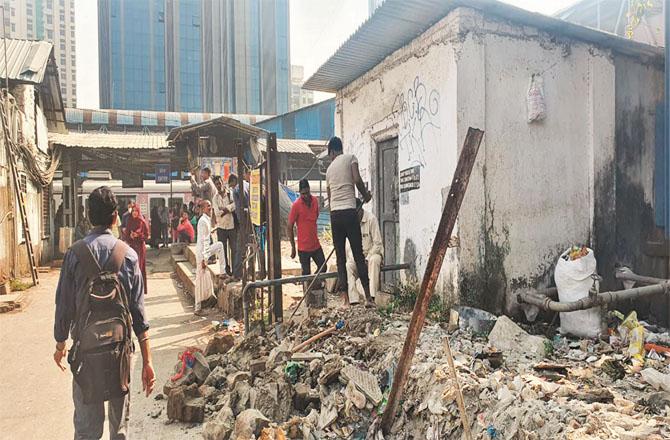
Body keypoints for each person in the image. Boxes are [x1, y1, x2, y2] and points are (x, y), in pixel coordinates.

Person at [53, 186, 155, 439]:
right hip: (120, 353)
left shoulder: (74, 255)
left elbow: (64, 305)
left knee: (87, 429)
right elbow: (139, 316)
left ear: (88, 216)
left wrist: (60, 343)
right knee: (119, 429)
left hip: (86, 352)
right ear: (115, 217)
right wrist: (148, 362)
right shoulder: (128, 256)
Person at [325, 136, 374, 308]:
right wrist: (366, 195)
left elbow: (331, 198)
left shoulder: (329, 170)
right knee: (358, 254)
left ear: (331, 151)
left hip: (335, 215)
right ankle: (368, 298)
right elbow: (357, 180)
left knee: (340, 258)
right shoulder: (350, 158)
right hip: (350, 213)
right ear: (340, 148)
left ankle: (345, 300)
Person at [346, 199, 384, 304]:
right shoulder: (351, 222)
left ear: (360, 210)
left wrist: (367, 258)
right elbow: (348, 247)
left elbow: (378, 243)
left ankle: (371, 297)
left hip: (371, 255)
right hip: (358, 257)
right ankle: (354, 300)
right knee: (348, 266)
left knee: (375, 260)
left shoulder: (371, 219)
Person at [195, 200, 227, 315]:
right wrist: (204, 259)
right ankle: (198, 308)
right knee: (200, 279)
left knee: (220, 246)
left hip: (206, 250)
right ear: (203, 208)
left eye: (210, 206)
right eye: (208, 206)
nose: (210, 208)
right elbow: (203, 240)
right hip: (203, 252)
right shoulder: (203, 221)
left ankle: (223, 271)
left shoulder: (206, 220)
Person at [288, 179, 325, 276]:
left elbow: (316, 216)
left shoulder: (315, 201)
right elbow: (289, 226)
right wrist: (293, 247)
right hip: (303, 247)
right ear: (300, 193)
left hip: (315, 244)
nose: (306, 196)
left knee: (323, 267)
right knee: (306, 274)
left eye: (307, 193)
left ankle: (314, 284)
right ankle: (308, 290)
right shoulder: (296, 205)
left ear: (309, 190)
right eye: (303, 194)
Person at [213, 176, 236, 276]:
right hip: (221, 227)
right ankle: (226, 271)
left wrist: (225, 209)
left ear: (223, 183)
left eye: (219, 183)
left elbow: (235, 205)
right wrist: (228, 209)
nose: (218, 185)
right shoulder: (215, 198)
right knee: (223, 250)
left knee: (234, 250)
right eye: (216, 184)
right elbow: (217, 213)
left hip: (231, 226)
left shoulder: (231, 194)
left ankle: (235, 271)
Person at [125, 205, 149, 296]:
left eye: (136, 211)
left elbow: (147, 236)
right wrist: (130, 237)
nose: (134, 212)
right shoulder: (129, 221)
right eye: (133, 211)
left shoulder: (142, 221)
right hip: (132, 247)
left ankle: (140, 289)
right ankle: (133, 289)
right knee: (131, 267)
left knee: (139, 267)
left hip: (140, 247)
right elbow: (126, 235)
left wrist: (138, 236)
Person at [229, 173, 248, 279]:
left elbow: (240, 208)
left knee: (239, 248)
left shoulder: (236, 189)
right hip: (254, 220)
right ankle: (250, 272)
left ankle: (237, 274)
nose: (231, 187)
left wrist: (240, 221)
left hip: (244, 222)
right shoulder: (247, 184)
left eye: (231, 185)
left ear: (234, 181)